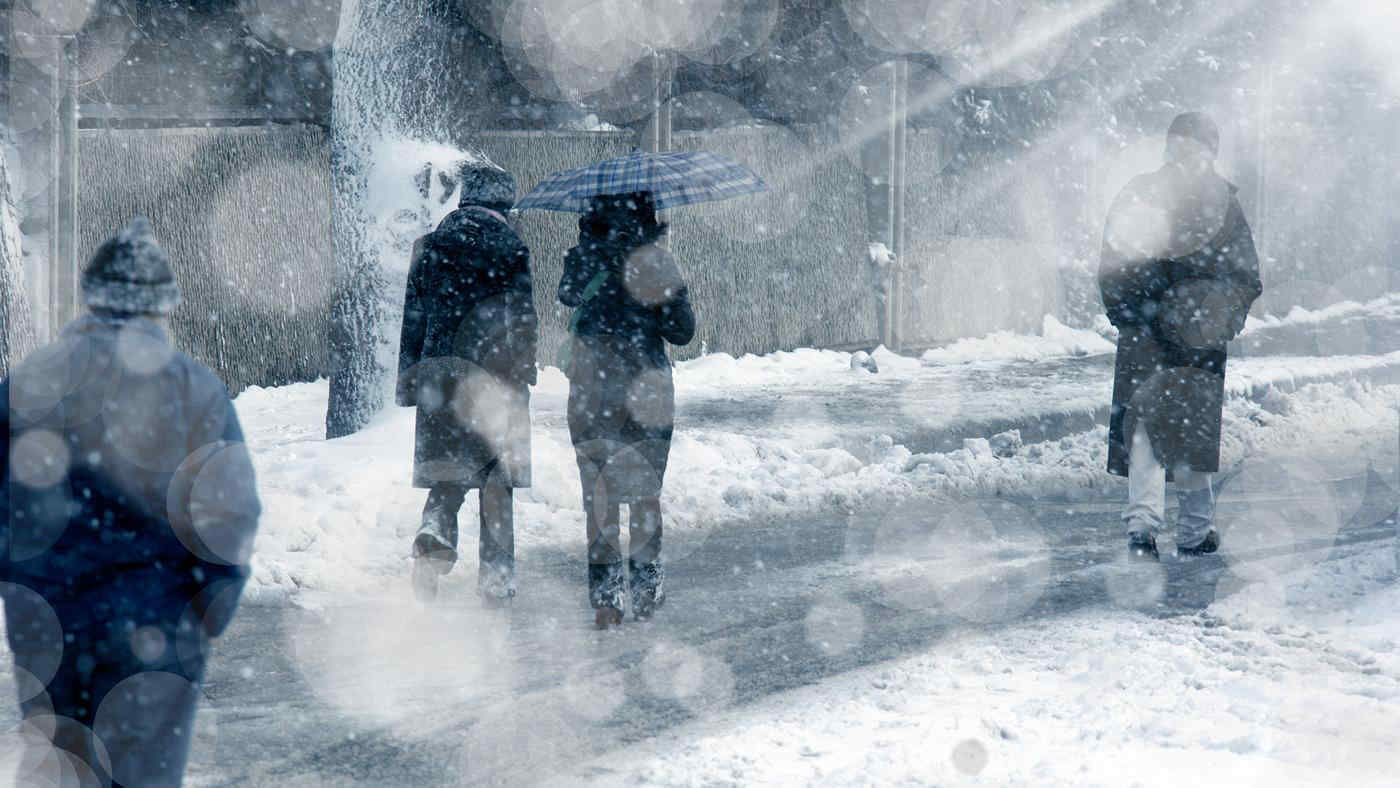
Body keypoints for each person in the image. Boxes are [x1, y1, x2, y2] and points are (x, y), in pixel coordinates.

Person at [1, 217, 260, 786]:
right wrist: (206, 614)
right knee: (141, 773)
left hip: (47, 622)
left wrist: (20, 587)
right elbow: (229, 514)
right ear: (162, 306)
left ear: (91, 296)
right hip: (158, 624)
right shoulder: (195, 389)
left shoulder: (31, 383)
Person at [1098, 112, 1263, 561]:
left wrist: (1133, 313)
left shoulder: (1140, 192)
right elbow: (1245, 275)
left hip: (1147, 331)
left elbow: (1114, 262)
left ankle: (1143, 530)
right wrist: (1219, 314)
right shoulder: (1223, 203)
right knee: (1191, 433)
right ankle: (1193, 532)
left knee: (1146, 432)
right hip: (1198, 333)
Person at [398, 160, 538, 604]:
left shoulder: (429, 245)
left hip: (440, 376)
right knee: (497, 480)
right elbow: (523, 317)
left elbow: (413, 318)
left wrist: (409, 377)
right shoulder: (510, 247)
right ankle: (496, 578)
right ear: (504, 204)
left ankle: (434, 530)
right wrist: (525, 367)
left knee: (449, 471)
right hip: (496, 378)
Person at [559, 191, 695, 628]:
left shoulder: (581, 260)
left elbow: (568, 298)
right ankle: (645, 588)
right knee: (644, 496)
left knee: (600, 498)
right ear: (649, 217)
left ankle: (606, 598)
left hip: (591, 393)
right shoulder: (657, 263)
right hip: (647, 393)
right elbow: (682, 331)